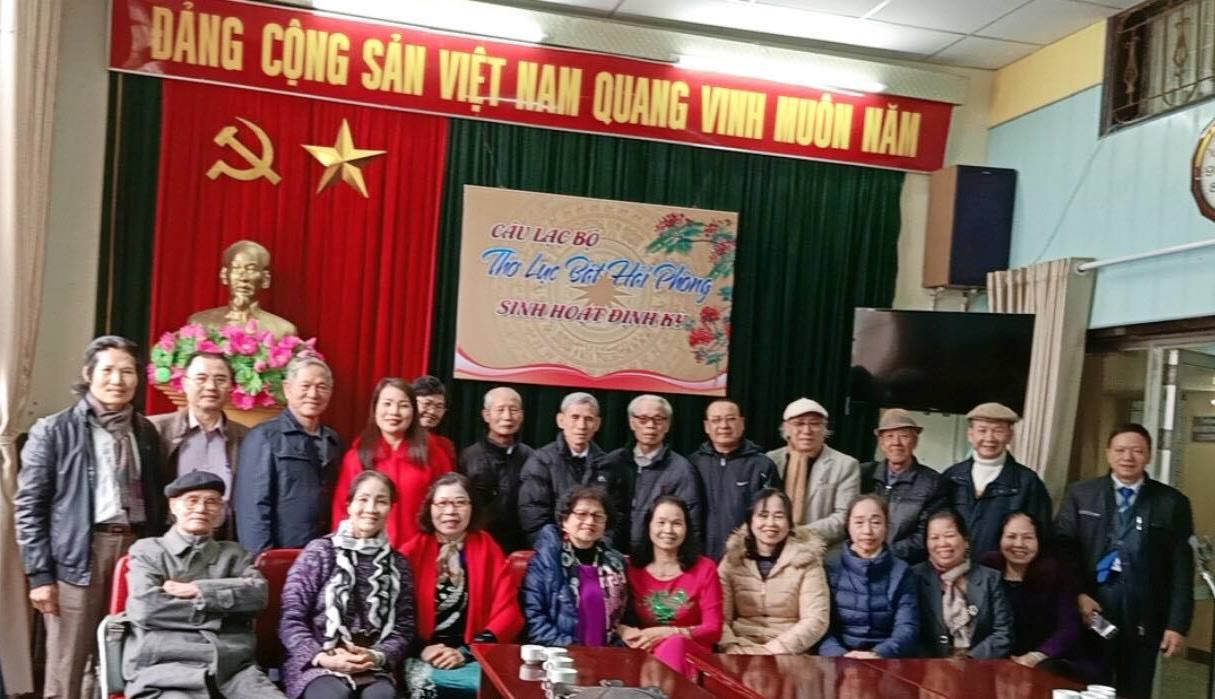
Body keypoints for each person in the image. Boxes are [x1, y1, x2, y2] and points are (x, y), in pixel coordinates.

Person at [15, 335, 167, 699]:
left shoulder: (145, 431)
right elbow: (30, 508)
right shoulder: (54, 430)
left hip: (135, 552)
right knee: (67, 661)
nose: (118, 380)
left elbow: (156, 499)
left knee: (123, 656)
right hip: (78, 555)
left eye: (127, 371)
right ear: (88, 374)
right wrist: (40, 575)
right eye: (108, 370)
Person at [1054, 423, 1194, 699]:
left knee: (1137, 689)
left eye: (1137, 451)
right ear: (1108, 453)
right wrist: (1078, 594)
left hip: (1145, 613)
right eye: (1120, 450)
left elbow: (1181, 567)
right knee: (1090, 687)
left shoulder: (1172, 502)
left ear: (1149, 455)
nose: (1127, 457)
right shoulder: (1081, 494)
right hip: (1092, 609)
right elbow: (1063, 550)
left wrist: (1176, 625)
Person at [122, 471, 284, 698]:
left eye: (211, 502)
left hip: (233, 671)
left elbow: (259, 596)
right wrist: (225, 608)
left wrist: (199, 590)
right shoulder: (149, 551)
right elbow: (146, 608)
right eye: (192, 500)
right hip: (166, 670)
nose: (201, 509)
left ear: (220, 510)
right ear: (173, 506)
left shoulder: (235, 554)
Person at [279, 471, 417, 699]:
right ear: (349, 505)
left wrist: (376, 656)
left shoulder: (398, 564)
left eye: (381, 501)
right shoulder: (320, 552)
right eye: (363, 499)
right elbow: (291, 618)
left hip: (371, 664)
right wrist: (322, 656)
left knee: (381, 696)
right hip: (316, 662)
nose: (371, 509)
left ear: (391, 508)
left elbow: (404, 627)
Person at [401, 473, 523, 698]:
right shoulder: (411, 551)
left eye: (460, 503)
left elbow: (508, 612)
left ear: (471, 508)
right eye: (442, 503)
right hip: (422, 653)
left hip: (473, 652)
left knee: (491, 687)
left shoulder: (487, 547)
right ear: (430, 508)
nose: (450, 511)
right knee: (424, 686)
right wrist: (421, 648)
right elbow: (396, 615)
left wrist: (468, 652)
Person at [234, 354, 343, 554]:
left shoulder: (333, 440)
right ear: (287, 389)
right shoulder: (264, 436)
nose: (313, 394)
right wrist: (263, 560)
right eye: (305, 386)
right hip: (282, 554)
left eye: (322, 387)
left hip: (324, 553)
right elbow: (252, 510)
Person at [980, 511, 1103, 683]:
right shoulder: (988, 569)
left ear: (1039, 540)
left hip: (1052, 658)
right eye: (1011, 536)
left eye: (1028, 538)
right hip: (1000, 657)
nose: (1019, 544)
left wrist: (1036, 656)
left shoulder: (1056, 572)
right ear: (1000, 539)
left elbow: (1068, 628)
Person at [332, 378, 452, 549]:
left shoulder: (434, 455)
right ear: (375, 409)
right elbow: (342, 511)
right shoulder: (356, 457)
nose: (394, 412)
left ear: (414, 411)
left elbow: (447, 507)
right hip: (368, 553)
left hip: (422, 552)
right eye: (387, 404)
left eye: (403, 405)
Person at [618, 495, 722, 678]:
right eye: (661, 522)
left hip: (691, 656)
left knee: (675, 643)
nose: (668, 530)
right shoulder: (632, 568)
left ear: (687, 528)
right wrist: (623, 630)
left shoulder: (705, 568)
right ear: (649, 526)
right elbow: (614, 615)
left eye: (677, 523)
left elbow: (714, 629)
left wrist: (671, 633)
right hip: (646, 650)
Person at [148, 351, 248, 539]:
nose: (211, 386)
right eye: (201, 378)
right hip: (166, 539)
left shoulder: (246, 437)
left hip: (225, 539)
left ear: (231, 387)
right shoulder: (155, 429)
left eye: (220, 380)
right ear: (184, 384)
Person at [717, 489, 829, 654]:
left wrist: (772, 651)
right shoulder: (732, 560)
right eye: (763, 515)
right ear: (750, 521)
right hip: (739, 648)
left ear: (789, 522)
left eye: (779, 516)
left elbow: (816, 619)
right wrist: (732, 647)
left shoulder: (807, 560)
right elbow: (719, 617)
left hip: (789, 652)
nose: (770, 523)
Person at [939, 402, 1052, 560]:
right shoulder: (952, 477)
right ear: (970, 434)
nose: (989, 438)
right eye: (982, 430)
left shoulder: (1027, 482)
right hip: (953, 568)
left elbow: (1041, 536)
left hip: (1002, 570)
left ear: (1010, 435)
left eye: (998, 431)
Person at [520, 485, 629, 646]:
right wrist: (573, 650)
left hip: (608, 655)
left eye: (597, 516)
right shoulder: (546, 561)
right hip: (560, 654)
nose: (590, 521)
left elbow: (626, 619)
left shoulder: (617, 563)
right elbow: (534, 618)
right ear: (564, 521)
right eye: (581, 514)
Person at [819, 494, 919, 658]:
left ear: (887, 527)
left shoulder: (901, 571)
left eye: (876, 522)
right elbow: (820, 625)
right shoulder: (830, 566)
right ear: (848, 526)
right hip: (838, 659)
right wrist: (840, 656)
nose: (867, 531)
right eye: (859, 522)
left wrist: (878, 654)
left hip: (887, 659)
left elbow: (907, 627)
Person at [602, 395, 702, 555]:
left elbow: (691, 523)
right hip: (610, 555)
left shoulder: (681, 469)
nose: (650, 425)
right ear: (632, 422)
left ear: (667, 425)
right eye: (643, 419)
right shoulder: (611, 463)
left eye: (658, 419)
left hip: (656, 557)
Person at [518, 392, 622, 544]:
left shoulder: (607, 464)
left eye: (588, 419)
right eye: (575, 417)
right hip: (554, 549)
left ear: (597, 424)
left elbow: (614, 515)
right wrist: (561, 548)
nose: (581, 425)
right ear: (560, 420)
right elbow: (533, 515)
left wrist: (600, 546)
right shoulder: (541, 461)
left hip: (596, 549)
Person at [914, 509, 1013, 659]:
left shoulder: (990, 578)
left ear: (965, 540)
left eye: (949, 535)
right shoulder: (915, 577)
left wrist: (970, 659)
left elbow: (1003, 633)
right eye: (934, 537)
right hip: (929, 667)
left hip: (981, 665)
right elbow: (910, 631)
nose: (942, 543)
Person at [690, 399, 780, 561]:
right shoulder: (693, 464)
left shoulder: (762, 466)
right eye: (716, 420)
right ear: (706, 426)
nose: (724, 425)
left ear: (742, 423)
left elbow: (772, 517)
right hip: (700, 559)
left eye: (731, 419)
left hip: (747, 558)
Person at [765, 398, 859, 548]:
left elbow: (845, 517)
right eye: (799, 423)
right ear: (786, 428)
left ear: (824, 428)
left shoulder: (845, 465)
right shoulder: (770, 460)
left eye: (815, 423)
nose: (807, 430)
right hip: (771, 547)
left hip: (819, 550)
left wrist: (797, 534)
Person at [858, 409, 944, 563]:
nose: (896, 443)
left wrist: (883, 555)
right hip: (861, 561)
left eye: (904, 436)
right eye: (889, 436)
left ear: (915, 442)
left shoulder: (932, 482)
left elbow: (926, 535)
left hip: (906, 566)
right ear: (881, 443)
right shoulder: (864, 474)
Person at [458, 386, 533, 553]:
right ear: (486, 415)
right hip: (478, 544)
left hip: (520, 545)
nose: (507, 416)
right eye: (500, 410)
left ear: (521, 415)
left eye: (513, 410)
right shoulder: (469, 457)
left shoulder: (531, 457)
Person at [187, 239, 297, 339]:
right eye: (236, 268)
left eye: (251, 269)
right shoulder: (199, 323)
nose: (243, 278)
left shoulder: (283, 330)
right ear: (224, 275)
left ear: (265, 279)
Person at [412, 375, 457, 466]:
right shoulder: (396, 440)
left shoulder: (445, 446)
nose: (432, 411)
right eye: (427, 404)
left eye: (439, 406)